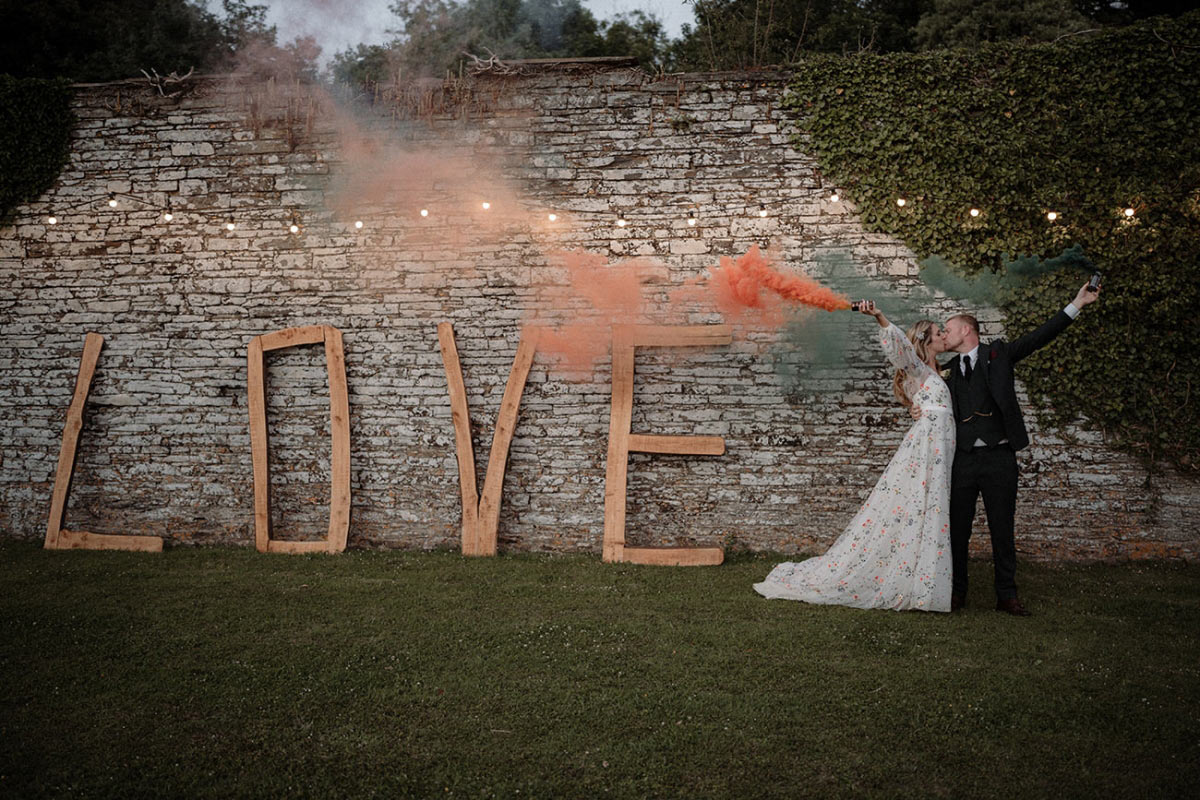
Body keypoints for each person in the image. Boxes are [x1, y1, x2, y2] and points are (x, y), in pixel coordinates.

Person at [754, 302, 954, 612]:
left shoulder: (935, 372)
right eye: (939, 333)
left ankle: (920, 578)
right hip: (928, 448)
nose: (944, 336)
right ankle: (914, 582)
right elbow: (901, 350)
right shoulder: (917, 367)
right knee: (918, 504)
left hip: (939, 448)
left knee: (928, 508)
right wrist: (880, 317)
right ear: (925, 340)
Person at [941, 281, 1100, 616]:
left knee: (1002, 528)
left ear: (967, 330)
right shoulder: (947, 370)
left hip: (999, 457)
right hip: (963, 460)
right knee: (957, 529)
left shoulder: (999, 354)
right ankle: (956, 592)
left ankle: (1007, 595)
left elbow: (1039, 337)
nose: (944, 334)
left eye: (948, 328)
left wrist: (1077, 304)